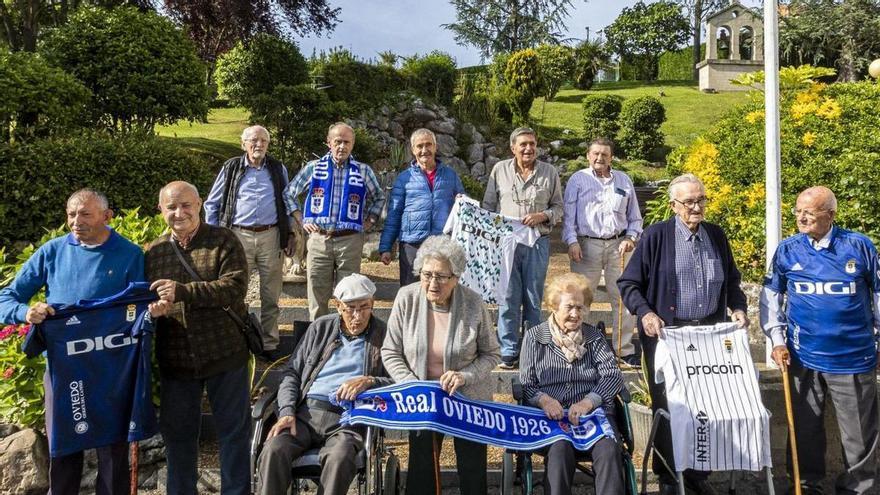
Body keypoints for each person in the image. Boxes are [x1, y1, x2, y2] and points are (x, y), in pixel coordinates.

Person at [0, 188, 162, 495]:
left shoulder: (129, 254)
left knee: (113, 453)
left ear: (107, 216)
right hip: (64, 370)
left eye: (85, 214)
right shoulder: (52, 251)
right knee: (63, 451)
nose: (76, 221)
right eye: (71, 214)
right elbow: (6, 297)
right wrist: (25, 312)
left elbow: (139, 309)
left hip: (113, 370)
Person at [617, 173, 749, 495]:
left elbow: (732, 281)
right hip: (668, 337)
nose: (696, 207)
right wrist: (645, 313)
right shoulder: (656, 236)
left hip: (708, 337)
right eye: (689, 202)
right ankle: (668, 477)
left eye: (701, 199)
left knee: (706, 404)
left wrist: (738, 307)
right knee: (670, 405)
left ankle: (696, 477)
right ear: (674, 205)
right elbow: (629, 284)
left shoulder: (716, 235)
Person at [761, 186, 879, 495]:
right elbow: (771, 297)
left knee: (859, 436)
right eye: (798, 211)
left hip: (853, 357)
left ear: (830, 215)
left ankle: (859, 490)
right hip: (803, 357)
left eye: (809, 212)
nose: (801, 217)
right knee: (804, 431)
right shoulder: (788, 250)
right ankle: (805, 486)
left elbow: (878, 295)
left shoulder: (860, 246)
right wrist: (776, 339)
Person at [145, 181, 251, 495]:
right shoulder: (153, 252)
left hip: (225, 354)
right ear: (160, 210)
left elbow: (234, 288)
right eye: (171, 207)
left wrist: (183, 292)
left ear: (200, 203)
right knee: (178, 438)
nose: (180, 213)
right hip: (176, 360)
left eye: (186, 205)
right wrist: (155, 309)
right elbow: (142, 301)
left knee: (233, 435)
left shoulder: (223, 240)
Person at [381, 235, 501, 495]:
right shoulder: (406, 298)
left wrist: (464, 376)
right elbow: (390, 351)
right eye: (426, 274)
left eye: (441, 277)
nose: (432, 283)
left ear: (456, 278)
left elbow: (492, 354)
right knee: (422, 470)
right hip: (423, 398)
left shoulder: (473, 302)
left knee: (472, 471)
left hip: (468, 400)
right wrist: (412, 384)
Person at [257, 273, 391, 495]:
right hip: (305, 413)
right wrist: (287, 411)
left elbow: (398, 381)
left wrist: (369, 381)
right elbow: (292, 373)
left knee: (339, 457)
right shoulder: (321, 328)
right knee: (274, 449)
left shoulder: (383, 334)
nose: (357, 316)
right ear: (338, 306)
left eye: (364, 307)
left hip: (349, 419)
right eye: (350, 308)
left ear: (373, 304)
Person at [520, 272, 625, 494]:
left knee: (608, 449)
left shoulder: (594, 337)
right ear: (553, 306)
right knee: (559, 449)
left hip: (593, 415)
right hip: (552, 417)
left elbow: (612, 376)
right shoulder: (535, 337)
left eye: (580, 307)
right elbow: (527, 384)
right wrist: (545, 400)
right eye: (569, 307)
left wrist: (588, 402)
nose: (576, 314)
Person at [204, 125, 294, 361]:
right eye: (253, 140)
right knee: (234, 290)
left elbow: (287, 202)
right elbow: (211, 204)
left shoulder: (277, 168)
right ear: (243, 144)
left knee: (270, 293)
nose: (259, 145)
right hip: (237, 236)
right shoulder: (231, 167)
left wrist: (290, 234)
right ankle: (235, 340)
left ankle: (268, 344)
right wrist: (214, 236)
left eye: (263, 141)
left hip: (271, 236)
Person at [283, 122, 386, 320]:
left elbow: (379, 197)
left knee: (349, 293)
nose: (342, 146)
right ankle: (319, 338)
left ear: (352, 145)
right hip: (319, 238)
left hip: (350, 240)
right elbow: (288, 193)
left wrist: (370, 220)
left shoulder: (363, 171)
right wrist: (301, 218)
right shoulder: (313, 168)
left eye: (346, 142)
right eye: (337, 141)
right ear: (329, 143)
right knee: (317, 294)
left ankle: (346, 336)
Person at [482, 127, 563, 369]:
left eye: (532, 144)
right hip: (507, 245)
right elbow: (488, 206)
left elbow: (559, 208)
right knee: (508, 297)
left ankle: (532, 348)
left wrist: (543, 215)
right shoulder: (499, 171)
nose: (528, 148)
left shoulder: (549, 172)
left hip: (537, 243)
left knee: (532, 298)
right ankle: (508, 349)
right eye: (523, 144)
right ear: (513, 148)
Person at [562, 137, 643, 366]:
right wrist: (571, 241)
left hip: (619, 246)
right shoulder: (578, 180)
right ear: (588, 155)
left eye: (604, 154)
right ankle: (578, 347)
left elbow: (635, 218)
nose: (599, 158)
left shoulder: (624, 180)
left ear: (611, 157)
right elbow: (569, 218)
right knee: (579, 298)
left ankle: (623, 350)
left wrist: (631, 237)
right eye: (595, 154)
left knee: (624, 298)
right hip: (587, 246)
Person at [379, 128, 465, 286]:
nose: (424, 150)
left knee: (440, 290)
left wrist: (462, 200)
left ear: (435, 146)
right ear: (413, 150)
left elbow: (463, 209)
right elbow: (394, 215)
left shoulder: (450, 175)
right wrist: (386, 247)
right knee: (411, 291)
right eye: (419, 146)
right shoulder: (403, 178)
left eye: (428, 145)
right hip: (412, 244)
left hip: (442, 242)